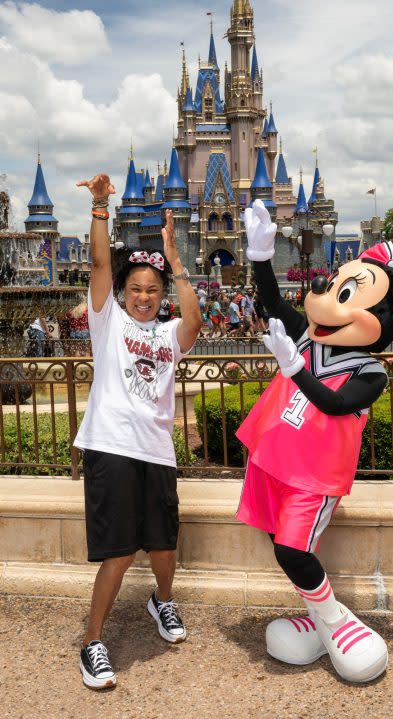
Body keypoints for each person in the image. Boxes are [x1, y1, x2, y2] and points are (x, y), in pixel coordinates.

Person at [236, 199, 393, 684]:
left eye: (346, 294)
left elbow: (335, 406)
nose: (326, 295)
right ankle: (319, 624)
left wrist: (293, 370)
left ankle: (334, 621)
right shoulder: (311, 337)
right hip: (273, 460)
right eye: (335, 287)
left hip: (313, 477)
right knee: (276, 538)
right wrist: (260, 256)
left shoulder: (369, 370)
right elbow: (274, 303)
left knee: (292, 551)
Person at [74, 173, 201, 690]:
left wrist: (175, 262)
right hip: (110, 445)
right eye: (136, 290)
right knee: (120, 552)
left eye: (152, 291)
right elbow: (102, 262)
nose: (144, 297)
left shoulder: (169, 332)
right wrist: (101, 206)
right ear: (122, 294)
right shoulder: (109, 321)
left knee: (163, 546)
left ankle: (161, 601)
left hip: (156, 451)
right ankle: (92, 642)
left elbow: (195, 322)